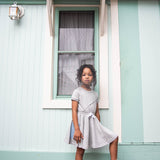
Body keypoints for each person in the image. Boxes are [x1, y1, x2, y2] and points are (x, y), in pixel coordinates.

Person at [65, 64, 118, 160]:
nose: (87, 77)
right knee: (80, 150)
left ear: (93, 77)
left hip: (92, 123)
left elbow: (97, 112)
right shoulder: (77, 91)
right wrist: (77, 129)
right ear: (80, 77)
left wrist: (98, 127)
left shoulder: (94, 94)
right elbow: (74, 110)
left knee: (114, 138)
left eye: (89, 74)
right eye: (84, 74)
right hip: (81, 124)